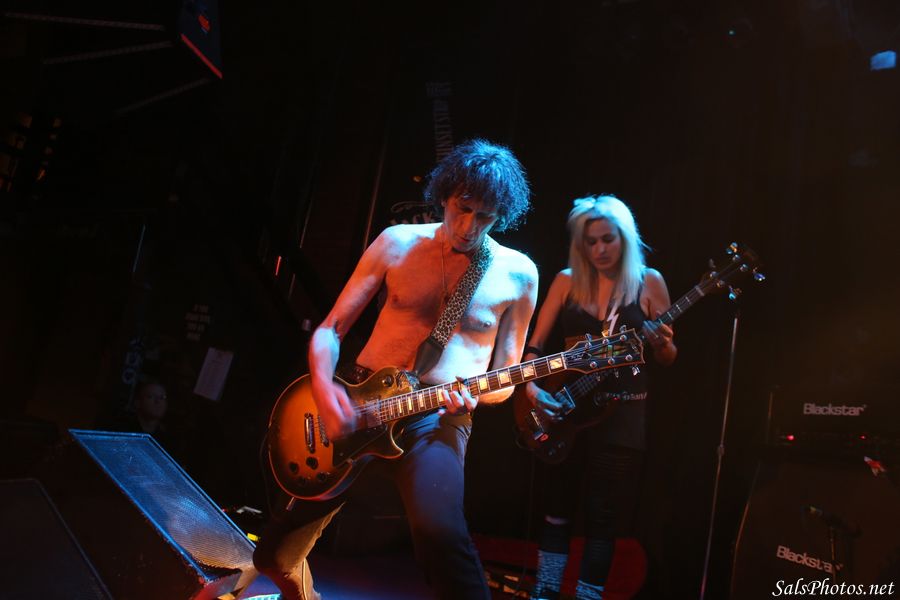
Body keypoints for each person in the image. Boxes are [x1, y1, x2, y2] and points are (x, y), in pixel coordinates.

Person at [253, 139, 539, 600]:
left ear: (501, 216)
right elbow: (330, 330)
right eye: (463, 208)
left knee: (442, 540)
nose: (469, 226)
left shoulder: (519, 274)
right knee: (273, 556)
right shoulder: (397, 242)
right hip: (358, 399)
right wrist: (325, 392)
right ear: (444, 196)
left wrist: (474, 397)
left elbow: (506, 377)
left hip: (437, 417)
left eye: (485, 217)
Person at [522, 195, 676, 600]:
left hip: (623, 412)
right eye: (590, 242)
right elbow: (535, 347)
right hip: (566, 410)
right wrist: (532, 389)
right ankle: (545, 592)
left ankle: (588, 597)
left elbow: (669, 357)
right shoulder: (566, 280)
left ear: (624, 238)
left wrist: (662, 344)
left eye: (608, 239)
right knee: (556, 512)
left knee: (603, 520)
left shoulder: (648, 281)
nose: (599, 250)